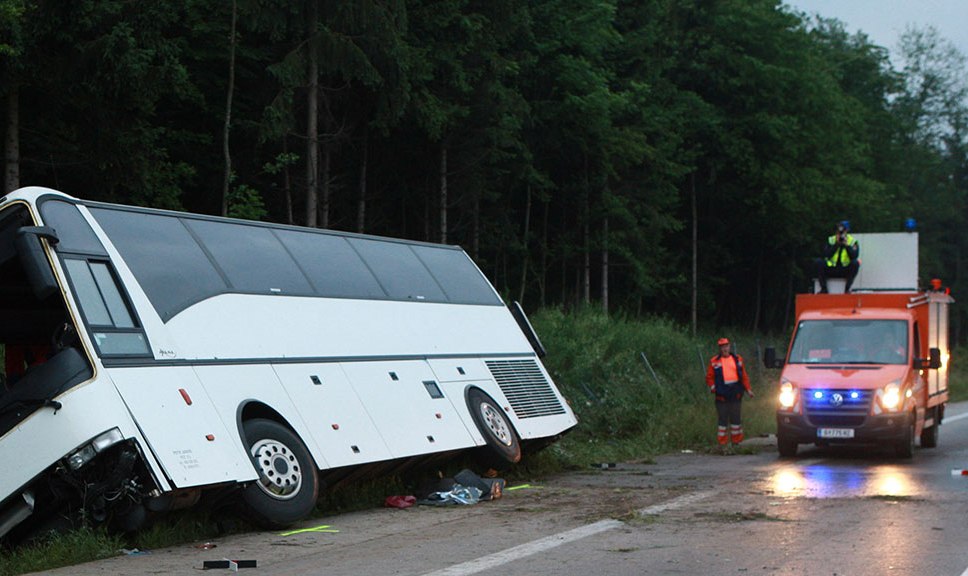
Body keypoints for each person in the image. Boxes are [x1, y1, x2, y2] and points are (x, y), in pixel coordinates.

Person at [705, 337, 753, 446]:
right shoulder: (714, 361)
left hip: (735, 392)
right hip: (722, 394)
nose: (724, 348)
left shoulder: (737, 359)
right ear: (720, 348)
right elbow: (709, 377)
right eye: (722, 347)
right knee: (723, 419)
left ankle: (736, 442)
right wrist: (713, 387)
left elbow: (744, 376)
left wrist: (748, 389)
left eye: (726, 346)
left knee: (736, 418)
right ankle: (722, 443)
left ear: (729, 346)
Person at [816, 221, 860, 293]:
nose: (840, 233)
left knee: (855, 263)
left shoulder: (852, 241)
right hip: (832, 268)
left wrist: (846, 246)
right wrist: (836, 245)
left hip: (844, 269)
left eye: (843, 231)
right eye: (838, 231)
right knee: (819, 262)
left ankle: (847, 289)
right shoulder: (831, 240)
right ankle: (823, 288)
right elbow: (826, 254)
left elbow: (854, 256)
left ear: (847, 231)